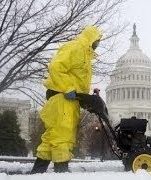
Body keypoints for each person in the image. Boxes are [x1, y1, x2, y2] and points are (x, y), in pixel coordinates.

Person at [30, 26, 102, 173]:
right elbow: (56, 67)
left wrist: (83, 98)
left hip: (69, 99)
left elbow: (78, 79)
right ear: (91, 38)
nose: (98, 44)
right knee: (63, 134)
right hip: (62, 97)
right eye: (97, 40)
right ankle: (61, 171)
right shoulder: (76, 48)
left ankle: (38, 171)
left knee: (52, 137)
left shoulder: (85, 55)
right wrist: (68, 88)